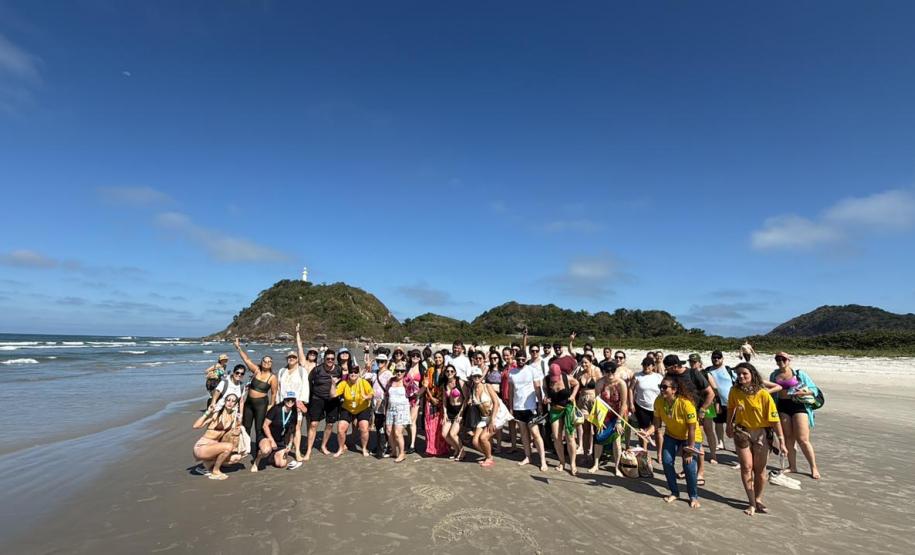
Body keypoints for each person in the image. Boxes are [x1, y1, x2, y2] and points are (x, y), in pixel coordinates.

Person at [727, 362, 787, 515]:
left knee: (760, 470)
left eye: (744, 373)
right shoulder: (734, 391)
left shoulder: (763, 394)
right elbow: (731, 408)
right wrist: (728, 425)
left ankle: (758, 498)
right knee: (747, 467)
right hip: (742, 431)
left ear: (752, 375)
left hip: (762, 433)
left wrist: (781, 441)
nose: (741, 376)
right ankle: (752, 502)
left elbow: (774, 419)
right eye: (738, 374)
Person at [638, 375, 703, 508]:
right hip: (671, 435)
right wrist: (647, 432)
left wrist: (690, 450)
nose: (661, 389)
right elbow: (656, 423)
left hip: (690, 437)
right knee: (667, 462)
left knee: (689, 466)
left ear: (674, 390)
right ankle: (674, 492)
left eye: (664, 387)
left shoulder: (686, 403)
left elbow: (691, 429)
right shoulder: (659, 401)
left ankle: (693, 496)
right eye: (660, 387)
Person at [664, 354, 714, 486]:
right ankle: (686, 469)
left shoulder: (693, 373)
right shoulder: (670, 376)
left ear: (675, 366)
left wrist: (703, 410)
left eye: (667, 368)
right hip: (678, 414)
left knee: (697, 443)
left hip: (694, 414)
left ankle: (700, 472)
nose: (666, 371)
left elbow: (710, 393)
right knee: (683, 444)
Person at [770, 352, 821, 479]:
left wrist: (803, 392)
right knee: (788, 438)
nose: (780, 361)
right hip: (782, 406)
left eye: (783, 359)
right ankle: (792, 466)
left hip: (798, 405)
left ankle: (813, 467)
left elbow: (814, 390)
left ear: (789, 360)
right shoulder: (774, 375)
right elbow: (771, 392)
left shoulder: (799, 374)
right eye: (777, 359)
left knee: (803, 439)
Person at [234, 338, 278, 446]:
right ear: (261, 362)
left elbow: (274, 393)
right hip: (249, 403)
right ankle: (245, 447)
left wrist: (271, 405)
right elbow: (246, 360)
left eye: (269, 361)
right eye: (265, 361)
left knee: (259, 428)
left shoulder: (272, 377)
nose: (266, 363)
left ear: (271, 364)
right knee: (246, 426)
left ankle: (258, 449)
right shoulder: (256, 370)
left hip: (261, 404)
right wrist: (238, 347)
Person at [509, 351, 548, 471]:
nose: (521, 361)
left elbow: (537, 388)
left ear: (526, 359)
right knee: (524, 434)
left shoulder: (532, 370)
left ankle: (543, 460)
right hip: (518, 407)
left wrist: (540, 404)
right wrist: (511, 407)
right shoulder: (512, 372)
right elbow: (511, 391)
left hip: (531, 407)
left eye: (523, 359)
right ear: (516, 359)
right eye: (518, 359)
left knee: (535, 434)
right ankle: (528, 457)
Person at [276, 324, 310, 460]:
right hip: (284, 404)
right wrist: (278, 403)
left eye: (294, 357)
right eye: (289, 357)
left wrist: (301, 403)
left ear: (297, 359)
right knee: (285, 428)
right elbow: (278, 389)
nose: (291, 359)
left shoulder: (302, 371)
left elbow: (305, 387)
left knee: (296, 428)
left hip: (297, 404)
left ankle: (296, 452)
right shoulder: (282, 371)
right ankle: (285, 448)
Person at [304, 348, 342, 460]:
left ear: (334, 359)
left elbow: (342, 383)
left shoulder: (338, 369)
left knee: (330, 424)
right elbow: (309, 383)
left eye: (332, 359)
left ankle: (323, 446)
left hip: (332, 400)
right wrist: (308, 399)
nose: (330, 360)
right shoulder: (317, 369)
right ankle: (308, 450)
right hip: (317, 399)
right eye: (328, 358)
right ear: (324, 359)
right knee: (313, 424)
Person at [192, 392, 241, 480]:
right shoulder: (216, 414)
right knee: (228, 447)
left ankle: (206, 466)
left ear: (235, 404)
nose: (230, 402)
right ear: (224, 402)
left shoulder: (233, 417)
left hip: (213, 447)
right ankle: (215, 471)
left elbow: (235, 432)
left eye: (233, 401)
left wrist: (239, 421)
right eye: (228, 400)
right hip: (202, 447)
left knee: (236, 458)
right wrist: (207, 412)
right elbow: (196, 426)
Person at [590, 360, 627, 475]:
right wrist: (599, 420)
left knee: (617, 441)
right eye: (607, 371)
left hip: (618, 414)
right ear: (603, 372)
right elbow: (597, 402)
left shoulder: (621, 383)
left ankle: (617, 467)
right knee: (599, 438)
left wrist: (619, 422)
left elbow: (623, 404)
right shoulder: (600, 383)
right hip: (604, 414)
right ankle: (596, 464)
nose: (610, 374)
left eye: (612, 371)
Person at [251, 391, 303, 472]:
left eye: (292, 400)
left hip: (280, 440)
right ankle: (256, 462)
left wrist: (289, 444)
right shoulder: (276, 409)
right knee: (265, 450)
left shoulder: (294, 412)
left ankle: (271, 456)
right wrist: (271, 440)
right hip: (266, 436)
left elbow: (292, 430)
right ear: (284, 400)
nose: (290, 402)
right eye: (288, 399)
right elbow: (265, 425)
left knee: (281, 464)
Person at [544, 363, 580, 475]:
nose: (555, 380)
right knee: (556, 436)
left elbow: (577, 384)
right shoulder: (546, 380)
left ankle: (573, 464)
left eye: (556, 377)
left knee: (570, 437)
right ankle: (562, 462)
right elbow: (545, 390)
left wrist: (573, 395)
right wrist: (546, 398)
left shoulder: (567, 378)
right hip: (555, 409)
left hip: (567, 408)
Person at [332, 365, 374, 457]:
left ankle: (364, 448)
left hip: (362, 408)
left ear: (358, 374)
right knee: (341, 428)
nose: (353, 374)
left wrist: (367, 397)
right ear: (348, 374)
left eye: (355, 372)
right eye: (351, 372)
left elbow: (371, 394)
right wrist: (333, 384)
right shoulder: (344, 383)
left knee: (364, 428)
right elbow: (333, 395)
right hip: (347, 408)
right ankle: (340, 448)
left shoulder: (363, 382)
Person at [465, 367, 502, 467]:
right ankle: (487, 455)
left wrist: (492, 420)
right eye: (474, 376)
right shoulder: (473, 389)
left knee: (483, 438)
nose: (477, 378)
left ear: (482, 377)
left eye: (478, 376)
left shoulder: (487, 386)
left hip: (496, 416)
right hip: (483, 418)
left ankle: (489, 458)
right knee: (475, 442)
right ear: (472, 377)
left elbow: (496, 403)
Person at [689, 353, 720, 464]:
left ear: (699, 362)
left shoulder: (706, 373)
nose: (692, 364)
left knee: (708, 429)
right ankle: (698, 453)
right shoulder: (689, 373)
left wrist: (717, 403)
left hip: (707, 404)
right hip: (694, 404)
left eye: (694, 362)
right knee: (697, 430)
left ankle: (713, 455)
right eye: (691, 362)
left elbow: (715, 389)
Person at [631, 356, 664, 461]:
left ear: (653, 366)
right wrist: (631, 404)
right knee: (643, 430)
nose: (646, 367)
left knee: (658, 430)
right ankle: (644, 453)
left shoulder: (658, 377)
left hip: (656, 407)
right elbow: (631, 389)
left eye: (648, 365)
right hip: (641, 406)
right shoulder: (637, 376)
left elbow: (663, 390)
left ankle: (659, 454)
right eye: (644, 365)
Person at [706, 350, 735, 451]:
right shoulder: (708, 371)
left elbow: (737, 383)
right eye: (714, 357)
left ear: (722, 358)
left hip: (731, 401)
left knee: (733, 423)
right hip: (716, 401)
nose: (716, 359)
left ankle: (737, 444)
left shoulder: (728, 370)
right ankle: (720, 442)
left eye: (718, 357)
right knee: (718, 423)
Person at [574, 354, 600, 465]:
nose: (584, 364)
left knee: (596, 429)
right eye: (582, 362)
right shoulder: (579, 373)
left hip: (594, 401)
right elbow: (575, 385)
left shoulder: (596, 370)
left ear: (591, 362)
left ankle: (595, 455)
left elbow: (601, 385)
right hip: (582, 401)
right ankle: (585, 454)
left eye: (586, 362)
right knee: (586, 429)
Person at [423, 351, 449, 457]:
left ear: (443, 358)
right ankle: (431, 448)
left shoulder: (446, 370)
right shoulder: (430, 370)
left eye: (440, 357)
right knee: (429, 426)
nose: (438, 359)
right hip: (430, 400)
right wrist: (431, 397)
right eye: (436, 357)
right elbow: (425, 385)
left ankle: (441, 449)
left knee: (440, 426)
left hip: (443, 401)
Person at [368, 353, 393, 458]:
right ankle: (380, 446)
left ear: (386, 362)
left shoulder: (389, 374)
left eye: (382, 361)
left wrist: (385, 400)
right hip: (375, 403)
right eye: (378, 361)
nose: (379, 363)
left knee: (385, 425)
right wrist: (368, 366)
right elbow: (362, 377)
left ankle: (386, 446)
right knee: (378, 425)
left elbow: (391, 388)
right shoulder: (374, 373)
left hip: (384, 403)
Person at [385, 363, 411, 462]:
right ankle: (394, 451)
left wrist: (424, 387)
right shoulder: (391, 380)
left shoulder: (407, 381)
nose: (399, 373)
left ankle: (402, 453)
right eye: (397, 370)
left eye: (402, 371)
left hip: (402, 409)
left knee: (397, 432)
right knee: (388, 430)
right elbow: (387, 394)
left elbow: (416, 392)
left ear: (405, 372)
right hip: (390, 408)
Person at [439, 363, 465, 459]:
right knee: (444, 434)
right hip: (449, 411)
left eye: (451, 371)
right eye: (447, 371)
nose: (449, 373)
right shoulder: (445, 384)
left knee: (453, 434)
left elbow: (466, 398)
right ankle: (457, 449)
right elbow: (444, 400)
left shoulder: (460, 382)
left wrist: (461, 413)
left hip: (459, 410)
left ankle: (462, 451)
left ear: (455, 373)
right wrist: (445, 413)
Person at [405, 349, 425, 454]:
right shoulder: (406, 368)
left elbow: (425, 385)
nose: (415, 357)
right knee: (406, 422)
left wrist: (419, 395)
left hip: (416, 398)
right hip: (405, 397)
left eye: (417, 355)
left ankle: (412, 445)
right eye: (413, 355)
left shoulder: (422, 369)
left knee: (412, 421)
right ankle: (410, 440)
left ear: (420, 358)